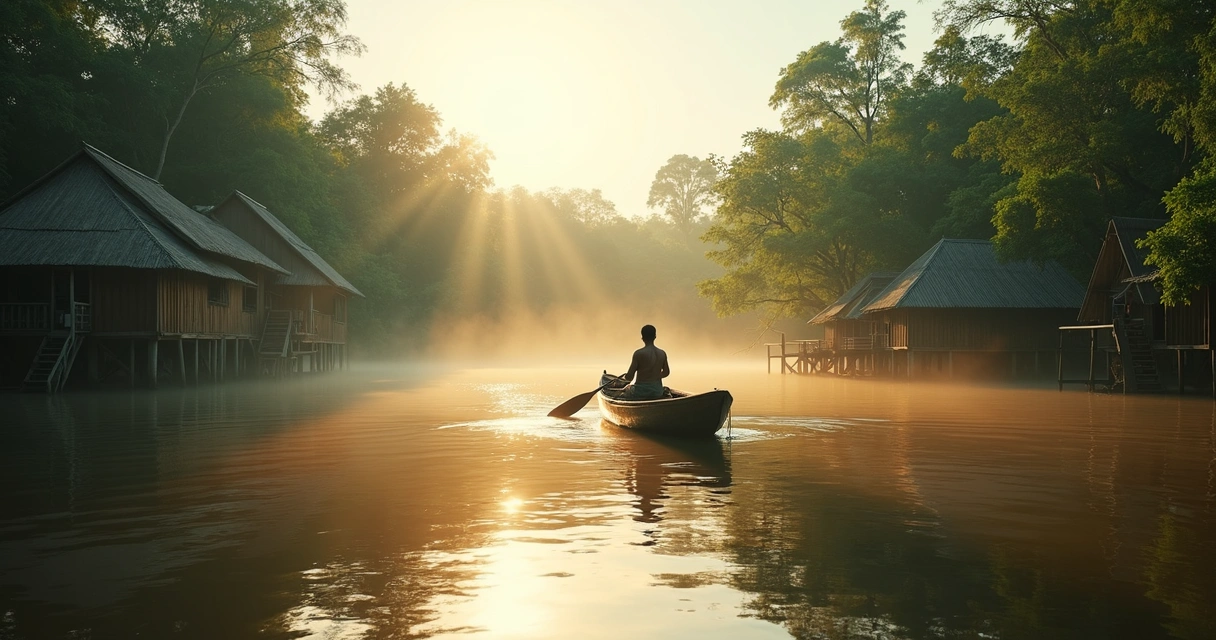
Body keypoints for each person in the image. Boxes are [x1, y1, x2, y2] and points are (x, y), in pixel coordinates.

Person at [618, 324, 670, 400]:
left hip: (640, 392)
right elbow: (666, 372)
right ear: (655, 337)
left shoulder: (638, 353)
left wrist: (625, 377)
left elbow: (629, 377)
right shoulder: (662, 353)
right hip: (657, 392)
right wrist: (654, 376)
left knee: (627, 389)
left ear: (642, 338)